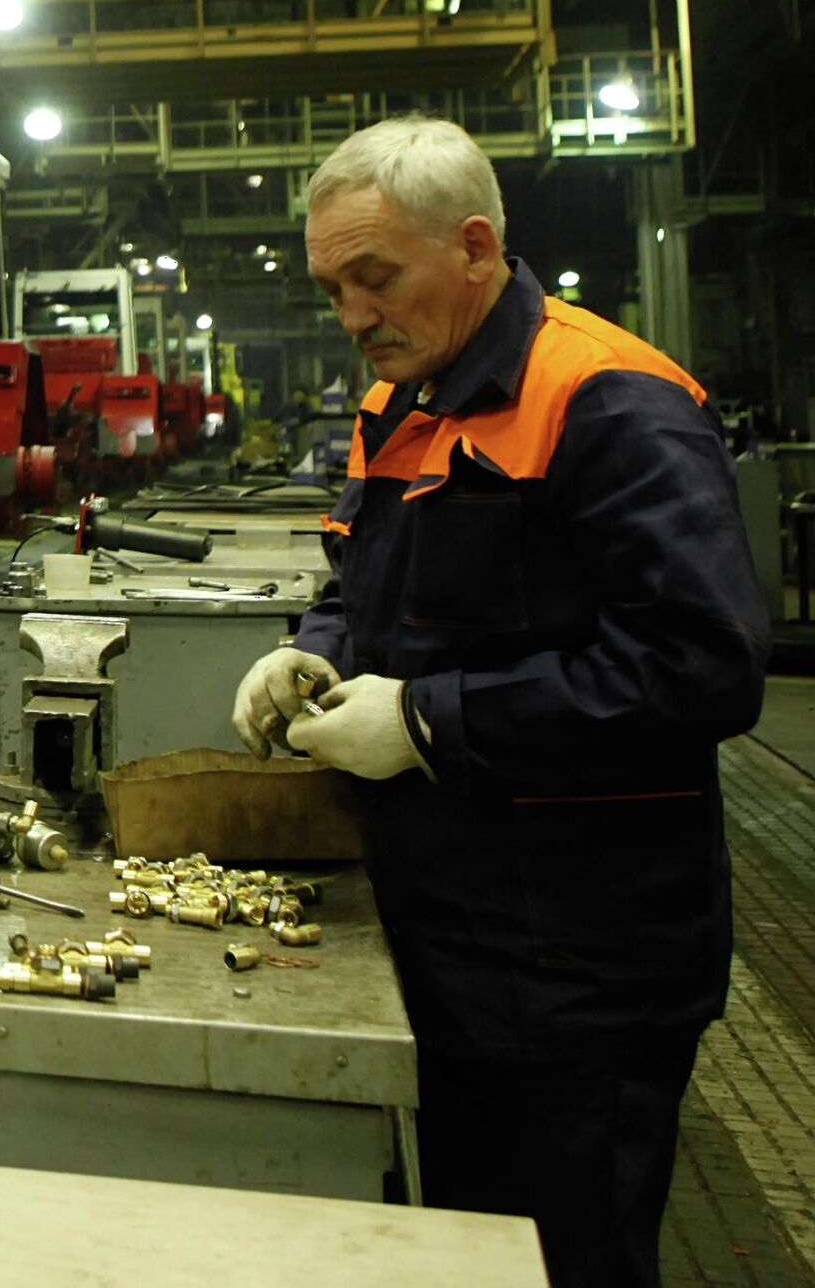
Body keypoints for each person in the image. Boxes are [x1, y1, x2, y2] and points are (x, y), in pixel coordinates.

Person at [229, 114, 769, 1288]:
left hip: (584, 967)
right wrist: (311, 650)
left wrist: (430, 723)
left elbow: (703, 667)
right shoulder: (401, 400)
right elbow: (365, 590)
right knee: (469, 1255)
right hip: (445, 939)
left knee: (569, 1259)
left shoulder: (610, 400)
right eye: (331, 287)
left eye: (373, 278)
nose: (351, 316)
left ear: (475, 248)